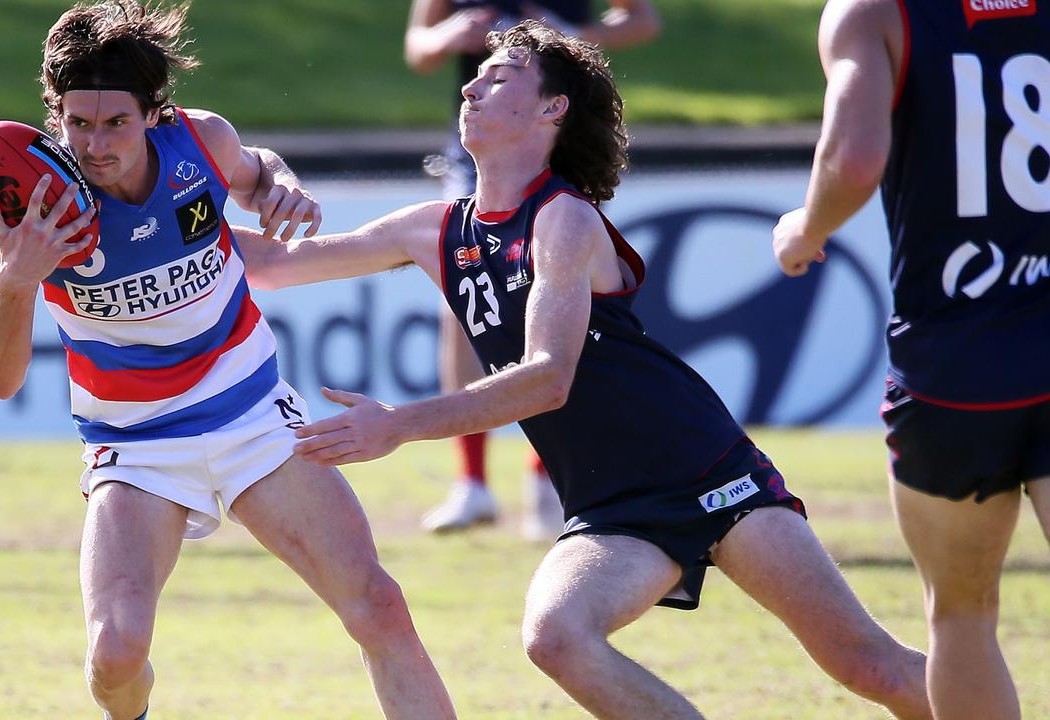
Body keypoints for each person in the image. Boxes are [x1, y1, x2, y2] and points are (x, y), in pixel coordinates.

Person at [240, 20, 931, 719]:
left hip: (704, 468)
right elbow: (269, 263)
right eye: (476, 75)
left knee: (869, 667)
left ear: (552, 108)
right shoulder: (432, 227)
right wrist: (208, 178)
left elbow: (548, 377)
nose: (471, 84)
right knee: (557, 638)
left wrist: (399, 424)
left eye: (499, 76)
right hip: (611, 507)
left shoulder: (563, 219)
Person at [0, 3, 455, 719]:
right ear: (56, 116)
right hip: (136, 446)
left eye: (115, 124)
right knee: (114, 656)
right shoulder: (34, 208)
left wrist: (281, 184)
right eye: (77, 124)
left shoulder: (202, 142)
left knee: (378, 607)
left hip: (253, 416)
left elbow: (258, 173)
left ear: (154, 113)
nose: (95, 145)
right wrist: (14, 283)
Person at [772, 1, 1049, 718]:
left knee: (961, 615)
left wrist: (806, 229)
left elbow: (855, 157)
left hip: (954, 367)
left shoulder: (876, 12)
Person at [405, 0, 661, 538]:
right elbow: (419, 49)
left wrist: (573, 35)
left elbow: (642, 21)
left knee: (557, 301)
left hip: (550, 148)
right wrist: (450, 36)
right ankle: (471, 481)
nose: (471, 88)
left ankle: (551, 476)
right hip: (478, 157)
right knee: (462, 301)